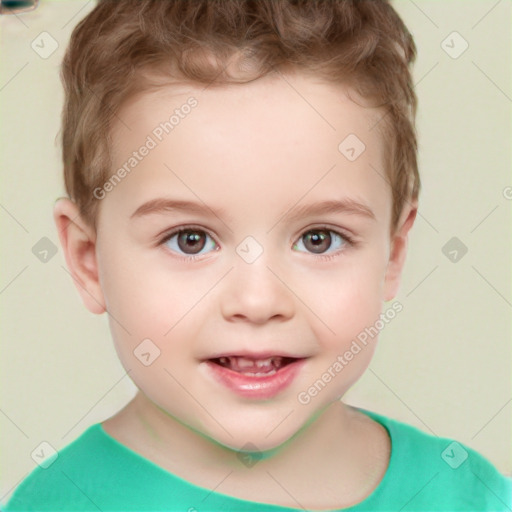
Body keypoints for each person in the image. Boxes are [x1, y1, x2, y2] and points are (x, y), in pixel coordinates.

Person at [4, 0, 511, 510]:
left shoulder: (469, 494)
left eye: (319, 239)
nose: (258, 299)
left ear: (392, 255)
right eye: (190, 239)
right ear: (88, 259)